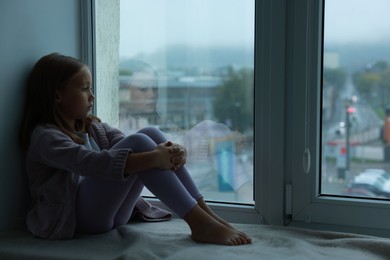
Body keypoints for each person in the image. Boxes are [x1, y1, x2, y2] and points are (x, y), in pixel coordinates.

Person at [19, 53, 251, 245]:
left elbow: (127, 141)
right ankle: (199, 223)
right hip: (73, 219)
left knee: (149, 134)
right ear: (58, 94)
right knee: (141, 145)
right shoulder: (45, 138)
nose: (92, 96)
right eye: (84, 88)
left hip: (114, 215)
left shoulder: (91, 126)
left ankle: (204, 213)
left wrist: (171, 151)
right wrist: (154, 157)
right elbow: (90, 163)